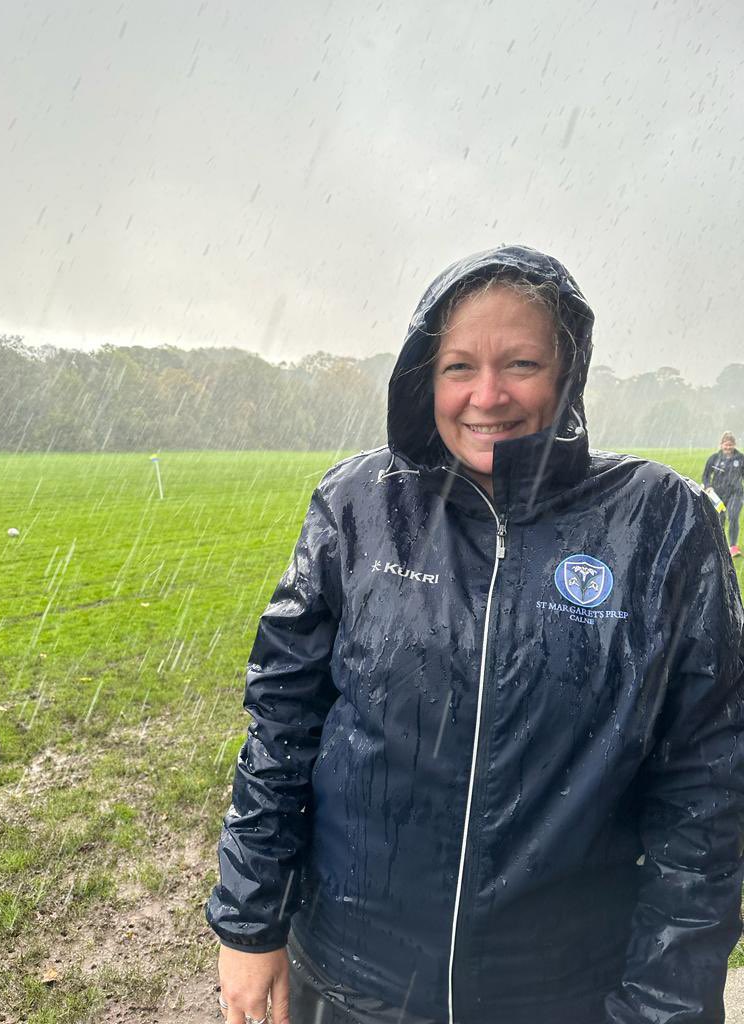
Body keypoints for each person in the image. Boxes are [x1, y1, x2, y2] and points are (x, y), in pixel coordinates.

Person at [206, 245, 744, 1024]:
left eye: (520, 362)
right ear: (425, 377)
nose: (486, 395)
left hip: (565, 993)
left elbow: (706, 791)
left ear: (568, 374)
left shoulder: (660, 523)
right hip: (355, 984)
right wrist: (250, 926)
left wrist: (667, 1003)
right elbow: (282, 727)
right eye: (459, 366)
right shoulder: (357, 507)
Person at [703, 431, 744, 556]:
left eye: (730, 445)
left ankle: (733, 547)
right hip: (718, 495)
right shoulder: (714, 458)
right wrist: (708, 486)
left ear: (734, 445)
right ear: (721, 445)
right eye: (726, 445)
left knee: (733, 516)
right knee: (718, 518)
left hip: (736, 494)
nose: (728, 448)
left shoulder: (741, 459)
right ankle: (719, 545)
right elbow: (705, 476)